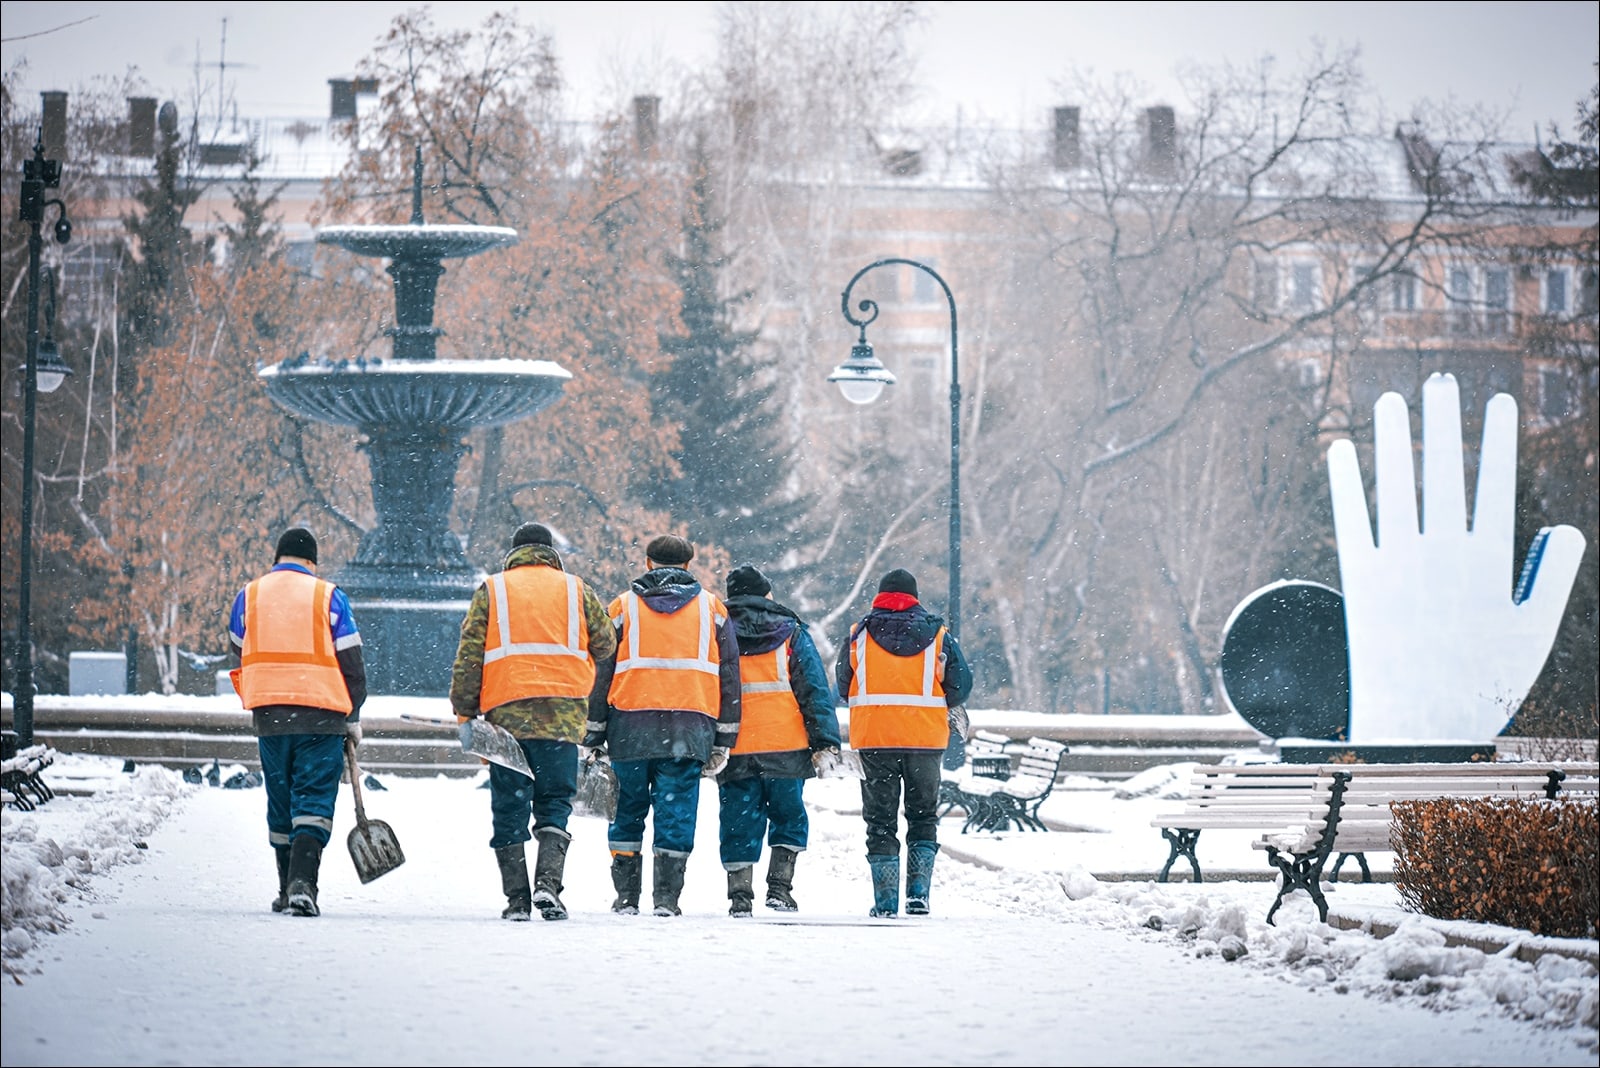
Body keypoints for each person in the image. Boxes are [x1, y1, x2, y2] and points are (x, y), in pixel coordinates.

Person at [450, 522, 617, 922]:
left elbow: (470, 654)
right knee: (555, 800)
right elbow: (607, 643)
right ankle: (548, 884)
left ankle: (517, 900)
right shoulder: (576, 589)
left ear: (514, 553)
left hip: (507, 715)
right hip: (562, 715)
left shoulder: (494, 590)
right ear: (551, 552)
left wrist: (465, 710)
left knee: (509, 805)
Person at [584, 535, 740, 917]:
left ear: (648, 562)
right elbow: (730, 676)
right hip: (689, 728)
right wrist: (725, 737)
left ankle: (626, 896)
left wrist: (593, 730)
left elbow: (600, 670)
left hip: (629, 726)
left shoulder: (622, 607)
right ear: (689, 564)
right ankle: (667, 899)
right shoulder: (713, 610)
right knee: (677, 811)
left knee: (627, 809)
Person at [228, 527, 366, 918]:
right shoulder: (328, 596)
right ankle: (303, 885)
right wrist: (352, 715)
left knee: (282, 797)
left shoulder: (249, 595)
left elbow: (236, 651)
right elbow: (352, 662)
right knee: (313, 798)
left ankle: (285, 888)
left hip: (270, 715)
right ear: (311, 562)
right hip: (321, 716)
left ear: (278, 558)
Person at [836, 567, 973, 918]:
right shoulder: (939, 636)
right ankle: (918, 896)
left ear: (879, 596)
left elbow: (842, 686)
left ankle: (884, 903)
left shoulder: (858, 636)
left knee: (880, 821)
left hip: (875, 739)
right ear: (915, 597)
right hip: (925, 740)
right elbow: (961, 687)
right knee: (923, 815)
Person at [717, 564, 842, 917]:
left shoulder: (718, 632)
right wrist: (824, 740)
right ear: (766, 594)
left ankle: (740, 896)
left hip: (736, 744)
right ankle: (780, 888)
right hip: (786, 743)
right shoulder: (790, 633)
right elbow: (814, 689)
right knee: (788, 816)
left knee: (738, 819)